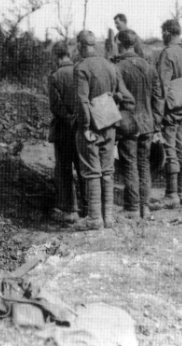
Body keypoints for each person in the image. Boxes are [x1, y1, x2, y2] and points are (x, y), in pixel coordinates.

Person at [72, 30, 134, 230]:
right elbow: (120, 95)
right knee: (107, 171)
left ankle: (94, 218)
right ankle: (108, 217)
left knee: (91, 172)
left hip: (91, 125)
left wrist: (84, 127)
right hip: (109, 122)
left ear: (81, 46)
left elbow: (82, 101)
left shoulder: (81, 67)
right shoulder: (110, 65)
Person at [113, 30, 164, 219]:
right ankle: (145, 207)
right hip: (148, 123)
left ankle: (132, 208)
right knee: (144, 164)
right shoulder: (149, 67)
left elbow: (115, 99)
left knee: (130, 164)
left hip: (129, 123)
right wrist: (156, 122)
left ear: (120, 44)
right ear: (134, 44)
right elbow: (158, 98)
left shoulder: (119, 67)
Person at [152, 19, 182, 209]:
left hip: (170, 111)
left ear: (168, 32)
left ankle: (171, 194)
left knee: (170, 151)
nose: (162, 36)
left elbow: (162, 87)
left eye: (163, 33)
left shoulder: (168, 53)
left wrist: (158, 115)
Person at [48, 41, 81, 223]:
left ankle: (69, 209)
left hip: (63, 130)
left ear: (56, 56)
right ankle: (86, 207)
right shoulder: (80, 72)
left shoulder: (55, 76)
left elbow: (55, 106)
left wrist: (68, 118)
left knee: (63, 169)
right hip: (81, 128)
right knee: (83, 167)